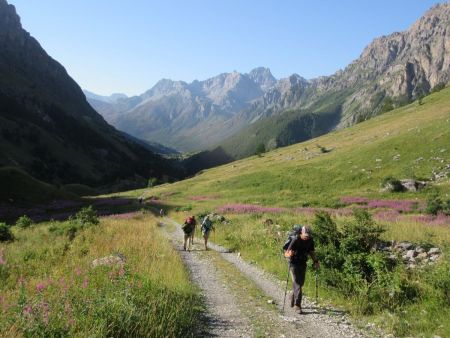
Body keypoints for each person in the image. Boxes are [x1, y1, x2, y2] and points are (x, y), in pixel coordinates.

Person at [284, 225, 319, 314]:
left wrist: (315, 261)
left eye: (308, 236)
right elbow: (286, 252)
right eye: (305, 235)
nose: (307, 237)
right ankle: (297, 305)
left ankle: (292, 295)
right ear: (301, 233)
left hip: (303, 262)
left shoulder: (310, 241)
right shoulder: (294, 239)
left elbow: (311, 252)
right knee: (298, 283)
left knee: (301, 283)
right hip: (293, 263)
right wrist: (289, 254)